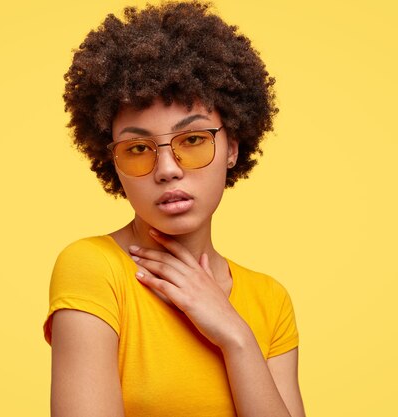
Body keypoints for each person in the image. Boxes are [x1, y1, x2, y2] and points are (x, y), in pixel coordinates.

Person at [43, 2, 306, 416]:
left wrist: (235, 335)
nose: (166, 169)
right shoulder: (94, 269)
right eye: (138, 149)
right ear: (113, 162)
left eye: (193, 140)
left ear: (232, 147)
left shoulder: (269, 300)